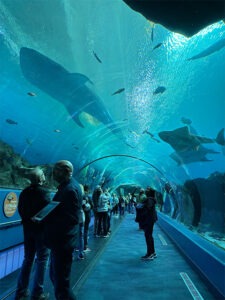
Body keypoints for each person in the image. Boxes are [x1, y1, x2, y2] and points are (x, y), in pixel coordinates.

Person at [44, 160, 82, 300]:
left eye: (57, 170)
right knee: (56, 278)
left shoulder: (70, 190)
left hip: (63, 241)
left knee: (61, 284)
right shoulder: (67, 187)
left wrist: (48, 219)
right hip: (60, 241)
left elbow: (71, 219)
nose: (53, 173)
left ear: (66, 171)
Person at [15, 168, 51, 300]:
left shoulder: (24, 192)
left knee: (28, 258)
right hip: (41, 231)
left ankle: (21, 291)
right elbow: (49, 211)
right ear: (40, 178)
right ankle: (37, 292)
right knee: (42, 259)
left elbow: (21, 210)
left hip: (27, 230)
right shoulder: (45, 192)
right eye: (42, 174)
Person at [135, 187, 158, 260]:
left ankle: (150, 254)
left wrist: (140, 206)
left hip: (149, 220)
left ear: (150, 192)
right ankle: (152, 252)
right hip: (150, 220)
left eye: (147, 189)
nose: (145, 190)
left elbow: (147, 208)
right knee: (149, 236)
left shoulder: (150, 199)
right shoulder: (150, 199)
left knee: (148, 236)